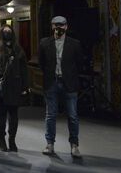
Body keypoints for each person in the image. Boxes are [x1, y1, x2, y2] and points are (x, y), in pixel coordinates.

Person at [39, 15, 82, 158]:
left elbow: (79, 64)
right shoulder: (44, 43)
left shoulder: (75, 44)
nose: (59, 27)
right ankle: (49, 144)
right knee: (50, 115)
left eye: (62, 25)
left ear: (66, 26)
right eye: (56, 25)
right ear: (52, 26)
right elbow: (41, 63)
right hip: (51, 82)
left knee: (73, 116)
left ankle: (74, 145)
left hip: (69, 83)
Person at [0, 24, 28, 152]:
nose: (7, 33)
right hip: (1, 84)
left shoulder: (18, 49)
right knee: (1, 114)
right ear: (1, 33)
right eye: (4, 31)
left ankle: (12, 140)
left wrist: (25, 86)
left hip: (15, 85)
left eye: (9, 31)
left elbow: (24, 70)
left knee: (14, 114)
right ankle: (2, 139)